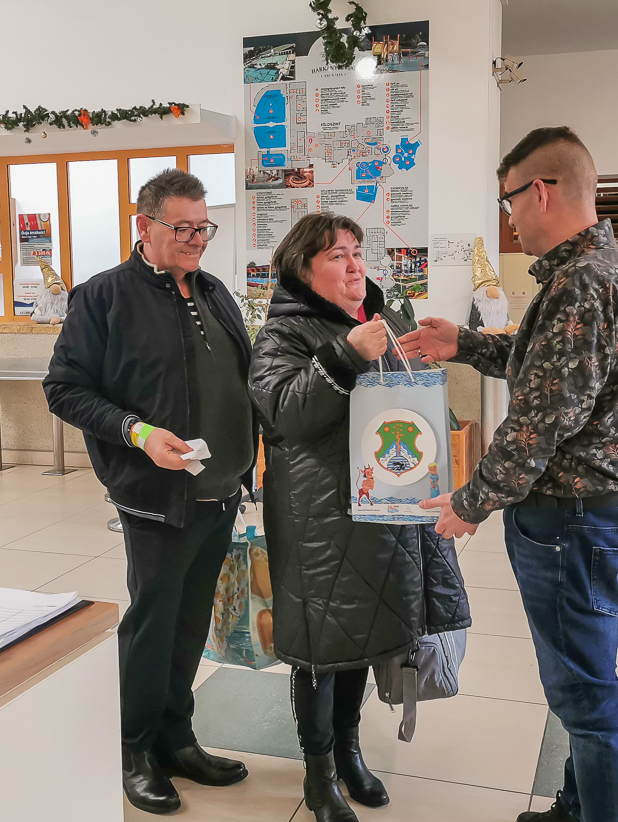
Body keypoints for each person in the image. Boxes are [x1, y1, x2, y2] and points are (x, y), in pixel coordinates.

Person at [399, 127, 618, 822]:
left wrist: (471, 501)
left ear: (540, 192)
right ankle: (577, 807)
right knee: (587, 679)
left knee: (585, 697)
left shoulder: (580, 282)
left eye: (510, 202)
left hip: (575, 522)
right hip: (615, 513)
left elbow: (537, 423)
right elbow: (550, 362)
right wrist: (465, 343)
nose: (509, 217)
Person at [43, 169, 255, 815]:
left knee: (191, 623)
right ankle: (133, 747)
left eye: (203, 228)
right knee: (153, 621)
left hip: (219, 489)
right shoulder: (104, 297)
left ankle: (176, 738)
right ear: (145, 226)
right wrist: (135, 432)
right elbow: (65, 389)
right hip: (154, 494)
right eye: (182, 228)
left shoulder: (215, 291)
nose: (196, 240)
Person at [248, 213, 469, 822]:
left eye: (356, 253)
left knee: (366, 633)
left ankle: (349, 753)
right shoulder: (281, 336)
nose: (355, 266)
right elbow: (284, 412)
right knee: (322, 644)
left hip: (383, 506)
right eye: (337, 256)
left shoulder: (380, 322)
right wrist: (343, 355)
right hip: (319, 513)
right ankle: (319, 775)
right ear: (303, 270)